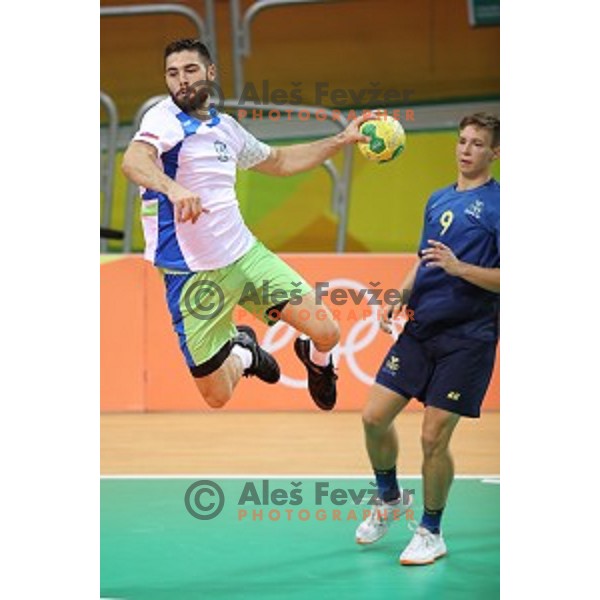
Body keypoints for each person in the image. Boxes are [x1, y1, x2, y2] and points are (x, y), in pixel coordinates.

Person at [122, 38, 370, 411]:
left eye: (190, 70)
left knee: (327, 331)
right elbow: (134, 161)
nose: (182, 81)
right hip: (193, 275)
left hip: (244, 257)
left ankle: (319, 365)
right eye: (172, 74)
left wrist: (341, 139)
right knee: (217, 396)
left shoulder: (228, 129)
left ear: (210, 73)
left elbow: (281, 162)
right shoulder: (163, 118)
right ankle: (246, 353)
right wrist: (172, 189)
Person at [355, 113, 500, 565]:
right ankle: (389, 496)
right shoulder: (437, 200)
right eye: (462, 141)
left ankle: (431, 530)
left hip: (468, 338)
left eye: (478, 143)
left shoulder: (504, 206)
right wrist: (398, 295)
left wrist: (461, 270)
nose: (466, 149)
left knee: (433, 436)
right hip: (420, 330)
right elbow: (423, 260)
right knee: (374, 417)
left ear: (494, 153)